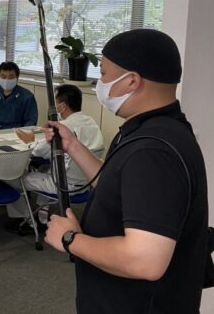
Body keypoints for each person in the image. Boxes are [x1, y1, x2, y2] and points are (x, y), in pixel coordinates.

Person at [43, 29, 209, 313]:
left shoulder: (153, 152)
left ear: (132, 80)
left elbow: (145, 260)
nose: (100, 83)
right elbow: (116, 188)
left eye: (104, 74)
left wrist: (70, 239)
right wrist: (73, 145)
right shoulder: (154, 129)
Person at [6, 84, 104, 228]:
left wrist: (31, 141)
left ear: (62, 106)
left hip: (63, 185)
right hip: (86, 184)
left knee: (13, 178)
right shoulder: (91, 122)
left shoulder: (62, 127)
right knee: (44, 169)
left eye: (55, 102)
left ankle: (27, 220)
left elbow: (38, 152)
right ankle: (43, 212)